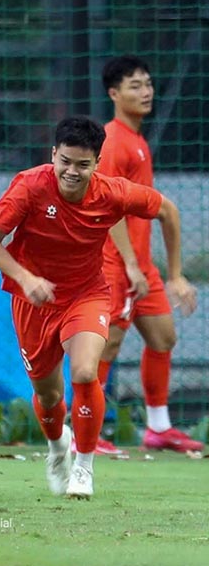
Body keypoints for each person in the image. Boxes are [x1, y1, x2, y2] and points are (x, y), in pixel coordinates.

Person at [0, 116, 188, 500]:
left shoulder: (114, 192)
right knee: (48, 396)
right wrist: (26, 279)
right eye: (66, 162)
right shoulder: (29, 186)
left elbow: (168, 212)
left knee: (86, 370)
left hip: (86, 294)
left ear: (97, 163)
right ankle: (58, 446)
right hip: (33, 301)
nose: (72, 172)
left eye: (83, 165)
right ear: (53, 155)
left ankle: (84, 467)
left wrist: (174, 274)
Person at [93, 56, 200, 454]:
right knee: (107, 346)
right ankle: (81, 429)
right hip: (116, 264)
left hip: (142, 265)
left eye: (148, 84)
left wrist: (171, 273)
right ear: (114, 94)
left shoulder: (138, 141)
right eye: (135, 85)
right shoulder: (112, 140)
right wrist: (131, 265)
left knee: (163, 336)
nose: (146, 91)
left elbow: (157, 211)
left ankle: (158, 428)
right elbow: (109, 208)